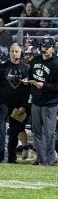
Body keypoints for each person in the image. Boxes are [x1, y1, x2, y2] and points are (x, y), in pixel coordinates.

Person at [0, 43, 31, 163]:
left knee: (14, 131)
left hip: (18, 105)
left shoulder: (26, 69)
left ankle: (11, 157)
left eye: (16, 51)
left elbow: (28, 90)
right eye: (12, 51)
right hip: (3, 103)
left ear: (21, 53)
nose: (14, 53)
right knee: (1, 130)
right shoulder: (1, 67)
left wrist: (23, 106)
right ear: (9, 52)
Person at [26, 36, 58, 166]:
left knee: (49, 133)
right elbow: (30, 76)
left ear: (53, 48)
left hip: (50, 104)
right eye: (42, 46)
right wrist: (27, 81)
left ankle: (50, 159)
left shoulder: (56, 64)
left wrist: (44, 85)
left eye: (46, 47)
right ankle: (41, 158)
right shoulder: (35, 60)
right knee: (37, 132)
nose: (44, 49)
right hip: (36, 102)